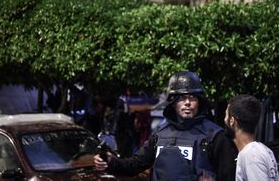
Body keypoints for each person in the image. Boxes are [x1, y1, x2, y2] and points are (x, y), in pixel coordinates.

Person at [94, 71, 237, 181]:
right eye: (182, 97)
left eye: (192, 97)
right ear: (173, 102)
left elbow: (230, 177)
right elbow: (134, 165)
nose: (187, 102)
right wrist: (110, 161)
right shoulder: (160, 134)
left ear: (199, 101)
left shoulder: (216, 136)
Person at [224, 94, 279, 181]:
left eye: (226, 115)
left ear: (232, 121)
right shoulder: (262, 150)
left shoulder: (251, 155)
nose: (224, 119)